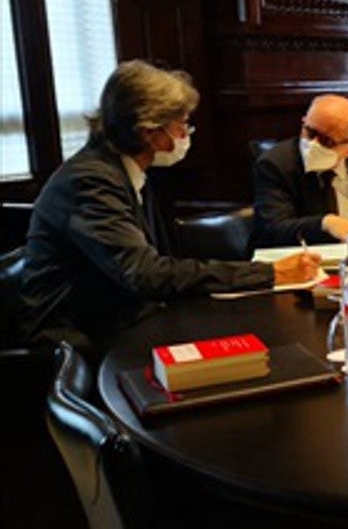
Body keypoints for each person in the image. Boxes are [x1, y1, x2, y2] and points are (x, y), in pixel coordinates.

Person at [18, 61, 320, 356]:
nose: (186, 134)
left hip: (120, 322)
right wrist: (268, 273)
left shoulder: (124, 170)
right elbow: (146, 273)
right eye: (182, 124)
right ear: (149, 131)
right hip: (74, 348)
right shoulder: (91, 181)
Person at [253, 95, 348, 248]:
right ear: (303, 122)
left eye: (326, 141)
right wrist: (325, 223)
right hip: (300, 259)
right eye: (310, 132)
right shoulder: (275, 164)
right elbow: (274, 228)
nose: (312, 144)